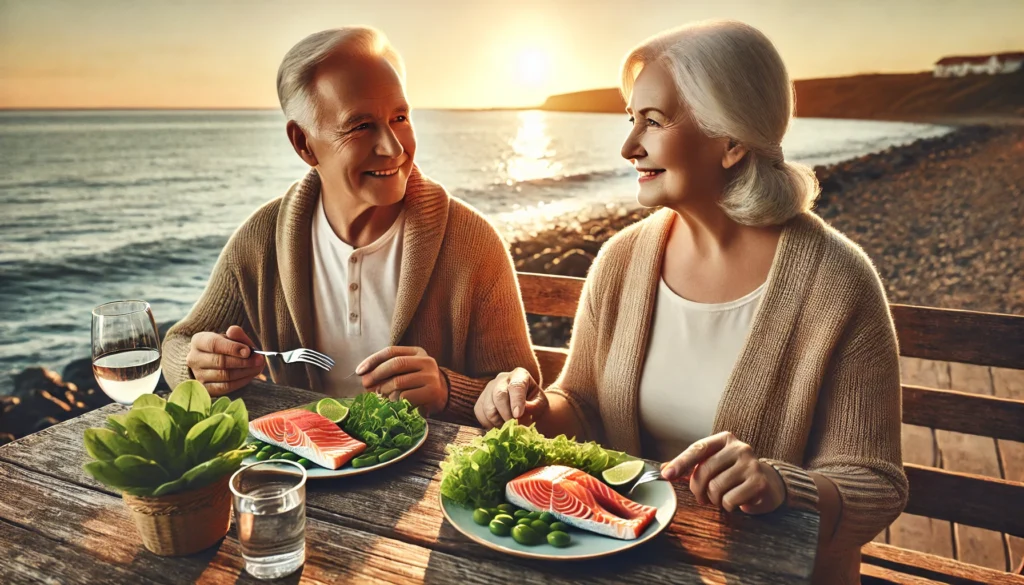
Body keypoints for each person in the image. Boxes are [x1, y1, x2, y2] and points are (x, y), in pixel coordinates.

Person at [474, 20, 906, 583]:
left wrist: (779, 485)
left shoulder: (838, 282)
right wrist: (533, 411)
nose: (629, 146)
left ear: (731, 141)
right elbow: (581, 404)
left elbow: (876, 484)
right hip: (632, 561)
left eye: (652, 122)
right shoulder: (621, 260)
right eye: (632, 120)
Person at [162, 26, 540, 424]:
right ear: (303, 144)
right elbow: (180, 342)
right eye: (361, 126)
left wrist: (448, 391)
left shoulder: (471, 241)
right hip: (303, 471)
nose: (393, 148)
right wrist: (198, 365)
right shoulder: (262, 238)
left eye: (400, 117)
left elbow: (523, 391)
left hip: (431, 478)